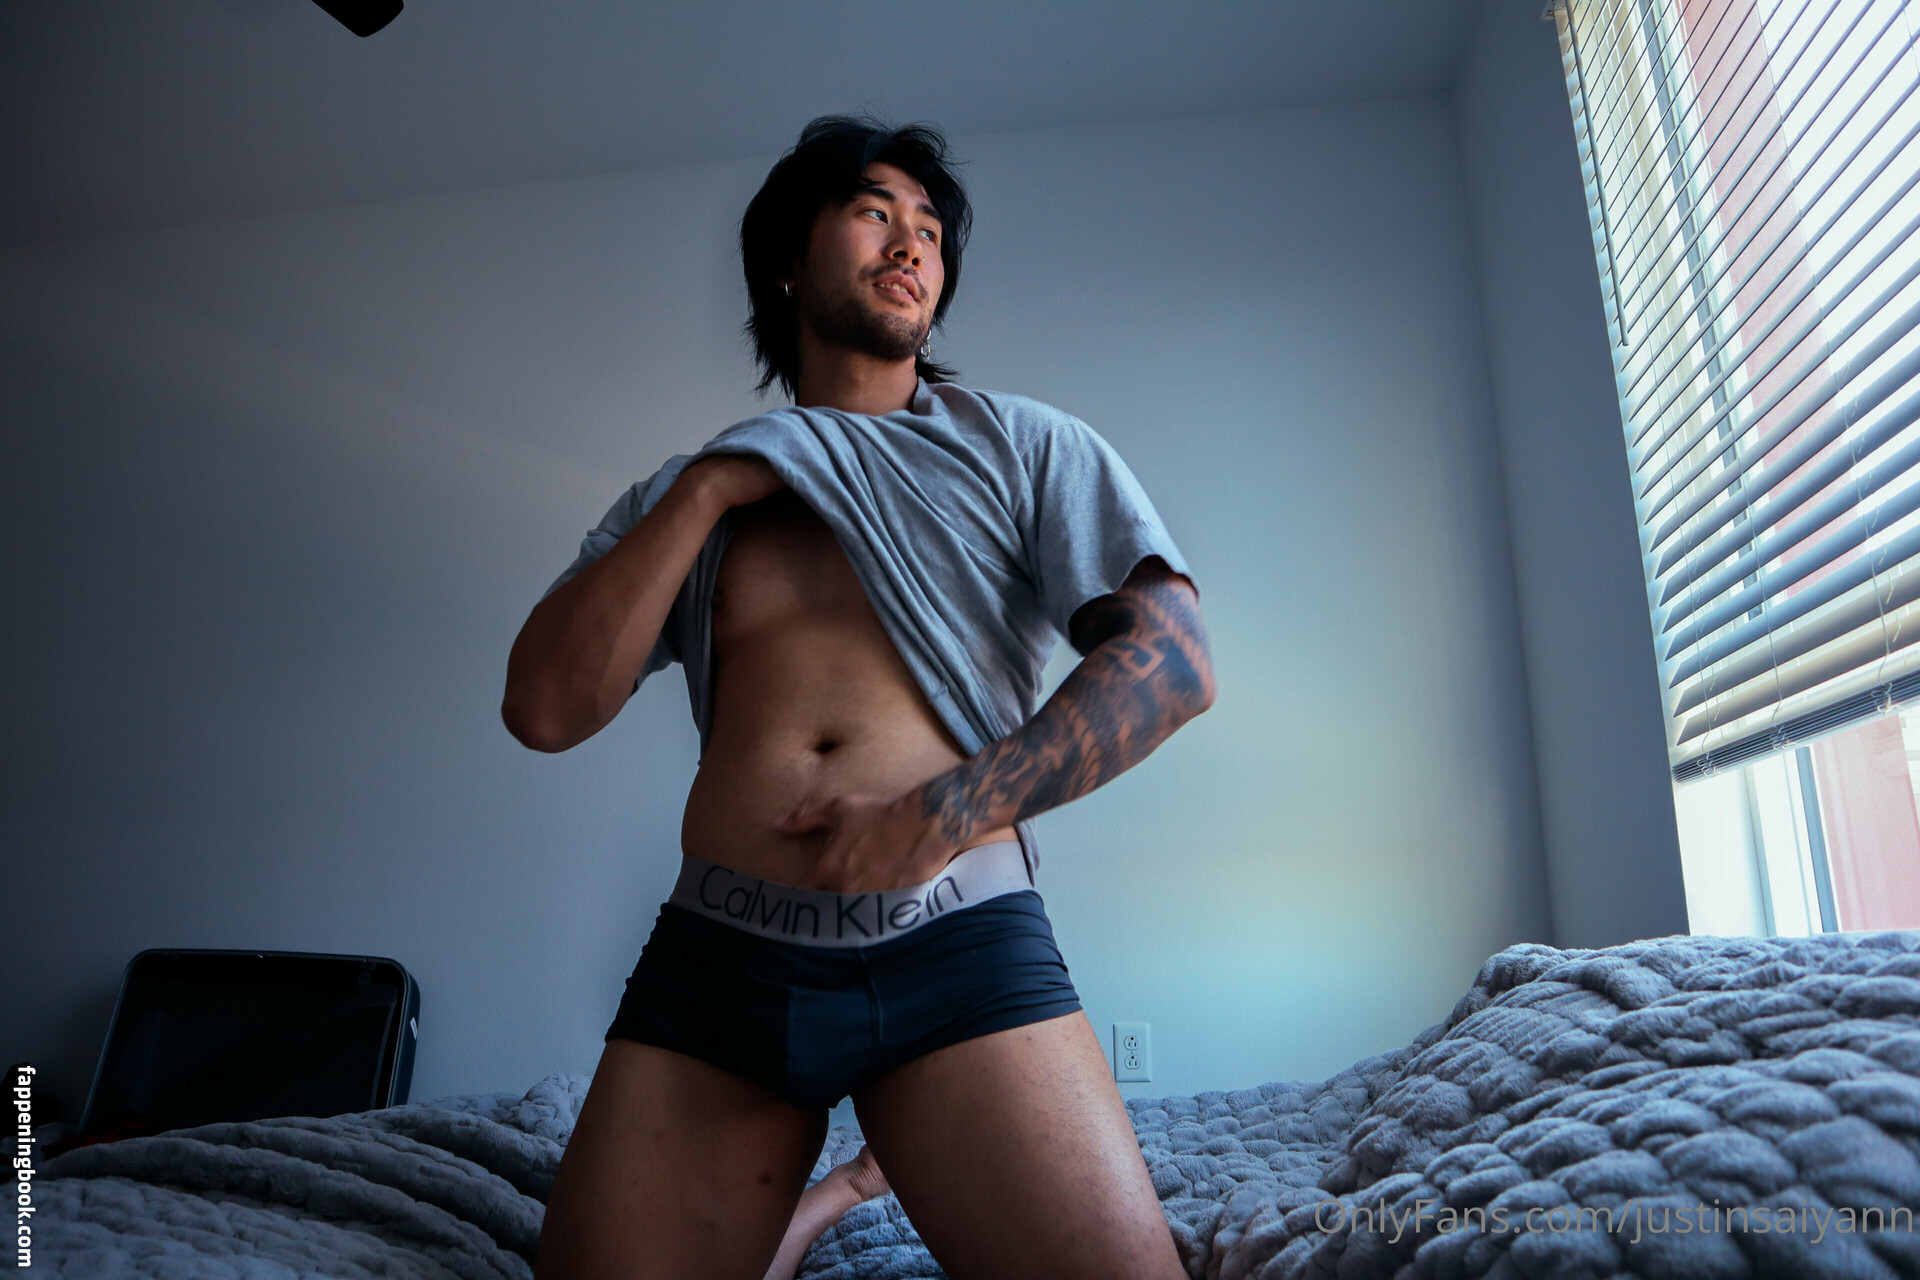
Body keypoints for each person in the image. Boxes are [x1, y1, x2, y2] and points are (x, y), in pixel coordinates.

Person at [505, 113, 1215, 1280]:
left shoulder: (1023, 445)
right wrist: (711, 487)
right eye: (874, 212)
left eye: (930, 228)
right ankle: (826, 1200)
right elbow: (544, 708)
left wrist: (944, 812)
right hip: (720, 960)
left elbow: (1174, 663)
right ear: (788, 262)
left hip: (957, 946)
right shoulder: (692, 492)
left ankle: (832, 1193)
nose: (912, 242)